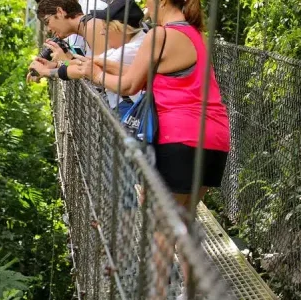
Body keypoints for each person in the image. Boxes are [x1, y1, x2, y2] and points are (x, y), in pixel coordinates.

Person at [76, 0, 230, 298]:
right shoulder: (194, 35)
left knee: (159, 228)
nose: (144, 5)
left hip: (180, 139)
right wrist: (96, 63)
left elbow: (129, 84)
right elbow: (142, 72)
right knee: (181, 222)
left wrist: (90, 75)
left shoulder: (159, 36)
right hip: (213, 139)